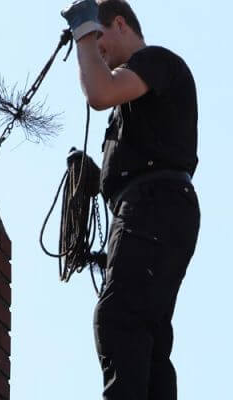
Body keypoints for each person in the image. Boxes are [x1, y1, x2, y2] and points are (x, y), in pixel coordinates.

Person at [61, 1, 201, 399]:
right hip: (156, 210)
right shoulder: (131, 108)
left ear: (119, 24)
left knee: (118, 317)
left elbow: (99, 92)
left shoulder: (156, 61)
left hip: (153, 208)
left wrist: (83, 31)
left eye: (100, 38)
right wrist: (99, 179)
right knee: (148, 335)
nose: (95, 50)